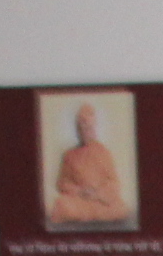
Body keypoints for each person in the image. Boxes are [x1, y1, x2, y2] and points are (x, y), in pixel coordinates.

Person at [47, 97, 133, 228]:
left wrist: (97, 194)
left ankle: (90, 214)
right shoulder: (69, 155)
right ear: (77, 130)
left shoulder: (103, 152)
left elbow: (114, 183)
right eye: (81, 128)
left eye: (88, 128)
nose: (84, 131)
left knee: (121, 208)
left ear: (94, 128)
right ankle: (87, 214)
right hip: (79, 200)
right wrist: (80, 191)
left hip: (100, 201)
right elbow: (62, 183)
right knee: (61, 205)